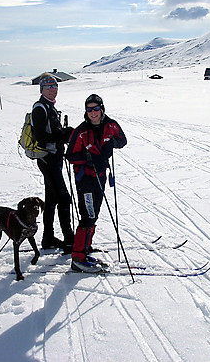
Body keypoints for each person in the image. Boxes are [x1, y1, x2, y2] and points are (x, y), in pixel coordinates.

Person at [65, 94, 127, 272]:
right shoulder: (81, 130)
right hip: (86, 179)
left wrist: (112, 142)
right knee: (88, 215)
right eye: (89, 109)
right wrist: (87, 158)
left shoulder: (111, 125)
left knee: (94, 214)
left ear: (102, 108)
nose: (93, 113)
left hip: (101, 176)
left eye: (95, 109)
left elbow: (123, 140)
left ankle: (85, 249)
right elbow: (70, 155)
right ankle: (78, 257)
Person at [31, 73, 74, 253]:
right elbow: (39, 137)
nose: (53, 90)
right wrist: (62, 135)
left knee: (52, 199)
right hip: (48, 158)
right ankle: (69, 239)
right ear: (41, 89)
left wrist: (63, 133)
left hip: (53, 158)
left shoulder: (49, 106)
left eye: (55, 86)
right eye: (48, 87)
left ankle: (48, 237)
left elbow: (50, 132)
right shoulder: (40, 108)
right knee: (64, 198)